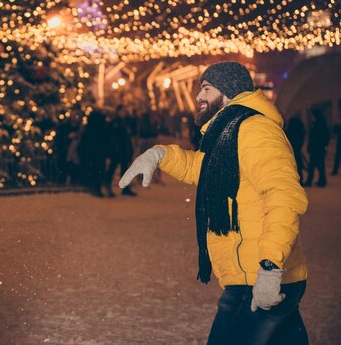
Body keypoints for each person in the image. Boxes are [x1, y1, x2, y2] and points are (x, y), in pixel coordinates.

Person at [119, 62, 308, 345]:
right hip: (249, 275)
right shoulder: (230, 131)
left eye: (206, 89)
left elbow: (283, 197)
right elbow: (207, 170)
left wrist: (270, 269)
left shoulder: (255, 131)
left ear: (228, 91)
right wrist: (160, 155)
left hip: (261, 275)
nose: (198, 97)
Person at [104, 105, 137, 197]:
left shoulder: (124, 122)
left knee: (124, 169)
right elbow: (112, 136)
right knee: (112, 168)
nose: (124, 113)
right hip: (117, 150)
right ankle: (108, 186)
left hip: (123, 149)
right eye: (123, 111)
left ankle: (125, 188)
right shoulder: (116, 122)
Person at [304, 109, 330, 187]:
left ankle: (312, 181)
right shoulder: (321, 124)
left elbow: (314, 138)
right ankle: (322, 180)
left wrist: (311, 147)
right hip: (319, 149)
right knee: (319, 165)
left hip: (316, 149)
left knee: (313, 166)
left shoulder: (317, 125)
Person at [285, 116, 306, 185]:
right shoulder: (300, 131)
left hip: (291, 152)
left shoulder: (290, 131)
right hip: (297, 151)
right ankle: (300, 182)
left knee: (293, 167)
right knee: (298, 168)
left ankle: (295, 182)